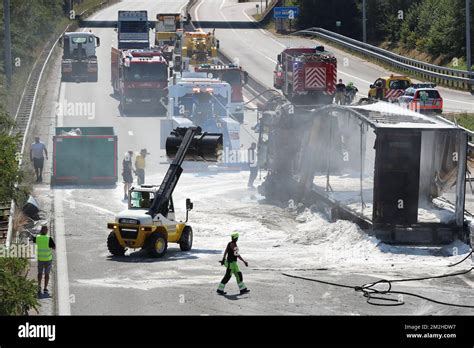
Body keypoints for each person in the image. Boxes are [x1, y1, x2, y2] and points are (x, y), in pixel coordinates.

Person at [34, 226, 56, 296]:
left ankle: (39, 286)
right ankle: (45, 288)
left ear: (41, 230)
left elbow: (34, 241)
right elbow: (54, 247)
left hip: (40, 259)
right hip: (48, 259)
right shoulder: (49, 238)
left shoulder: (37, 237)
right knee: (47, 274)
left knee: (40, 273)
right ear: (46, 231)